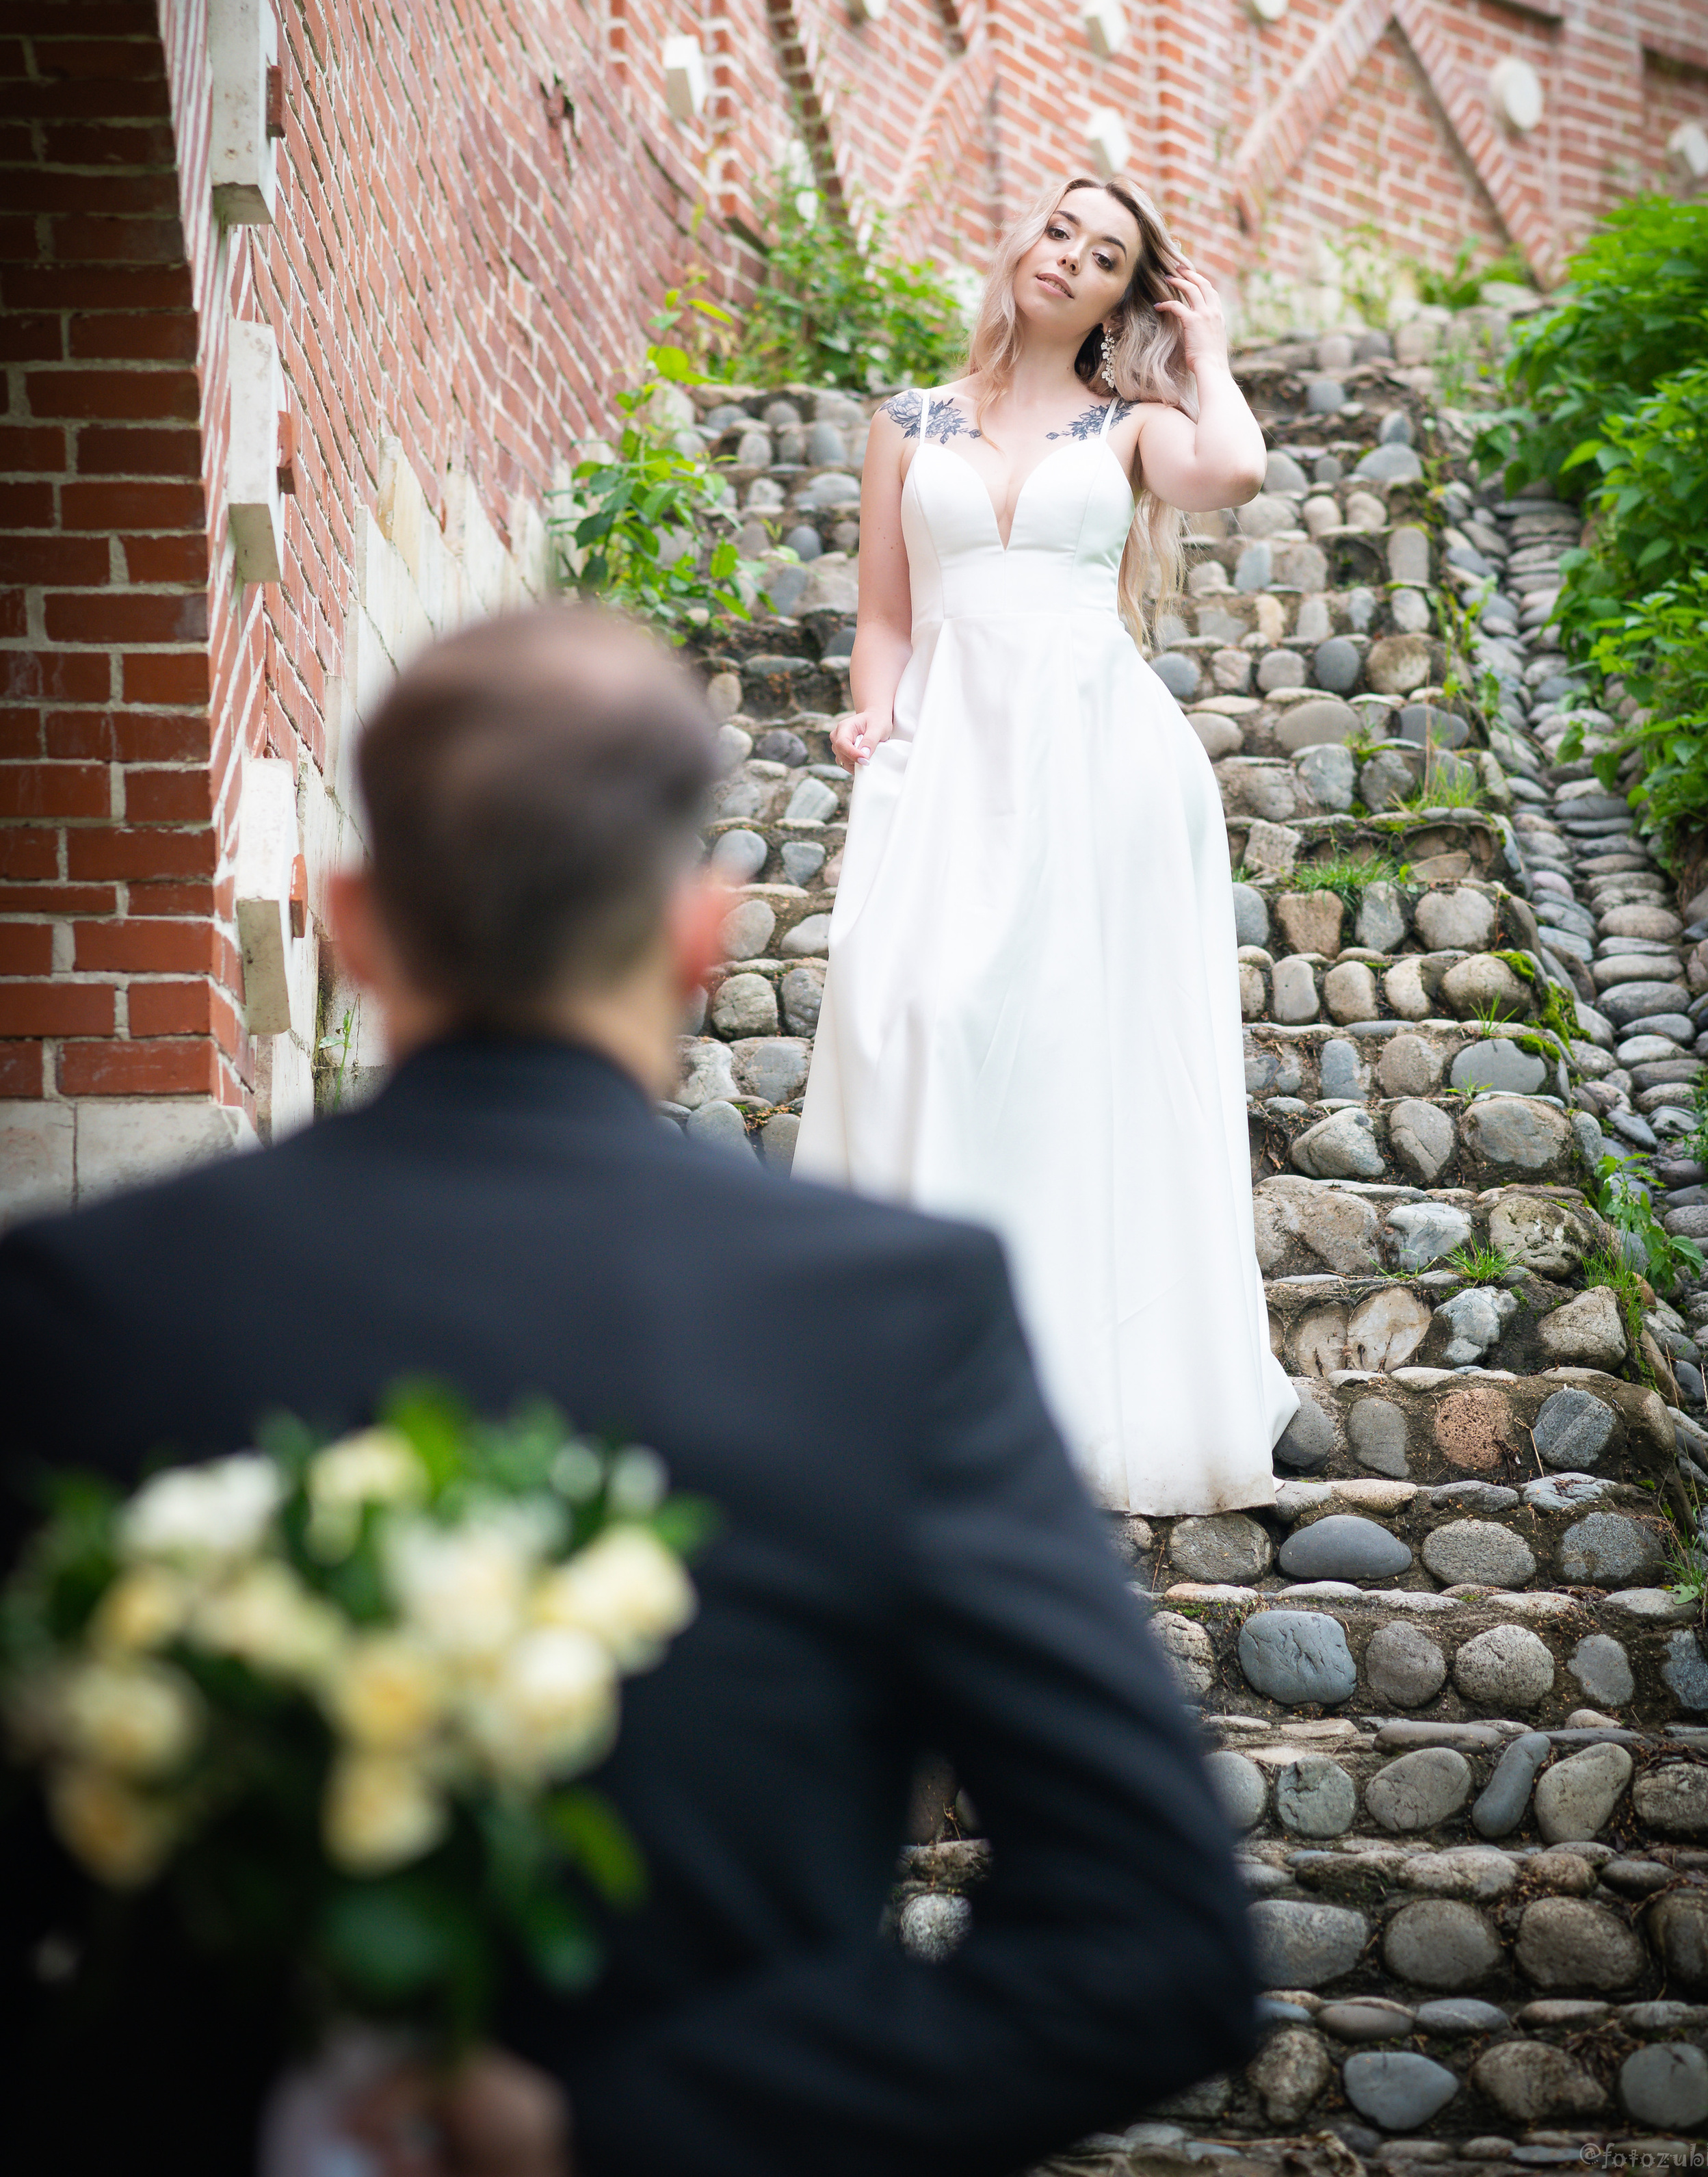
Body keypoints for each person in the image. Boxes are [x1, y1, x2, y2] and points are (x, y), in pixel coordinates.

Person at [0, 605, 1259, 2177]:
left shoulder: (77, 1300)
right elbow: (1156, 1945)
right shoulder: (883, 1317)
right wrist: (619, 2130)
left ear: (352, 921)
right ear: (699, 933)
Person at [793, 177, 1300, 1517]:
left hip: (1102, 762)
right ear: (1018, 242)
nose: (1067, 257)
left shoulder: (1130, 425)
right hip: (948, 756)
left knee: (1087, 1054)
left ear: (1116, 295)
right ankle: (924, 1383)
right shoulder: (905, 422)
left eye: (1104, 255)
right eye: (1058, 229)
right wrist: (870, 714)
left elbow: (1235, 468)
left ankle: (1086, 1394)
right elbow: (886, 615)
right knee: (918, 1014)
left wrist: (1205, 353)